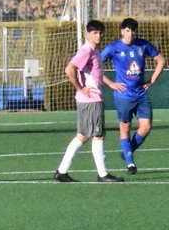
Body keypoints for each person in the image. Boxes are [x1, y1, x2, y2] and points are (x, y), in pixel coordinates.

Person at [53, 20, 124, 184]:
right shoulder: (86, 51)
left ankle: (62, 171)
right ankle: (103, 174)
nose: (98, 36)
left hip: (89, 99)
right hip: (91, 100)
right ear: (88, 34)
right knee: (98, 135)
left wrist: (110, 83)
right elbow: (69, 69)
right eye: (94, 33)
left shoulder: (94, 51)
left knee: (83, 135)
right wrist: (80, 88)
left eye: (100, 33)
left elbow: (95, 73)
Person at [99, 17, 164, 174]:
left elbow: (161, 60)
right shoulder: (113, 47)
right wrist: (110, 83)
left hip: (141, 94)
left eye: (133, 31)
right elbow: (95, 67)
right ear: (122, 31)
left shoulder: (143, 45)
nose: (130, 34)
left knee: (146, 127)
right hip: (123, 95)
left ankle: (128, 151)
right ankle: (130, 164)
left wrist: (152, 81)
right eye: (127, 30)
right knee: (125, 127)